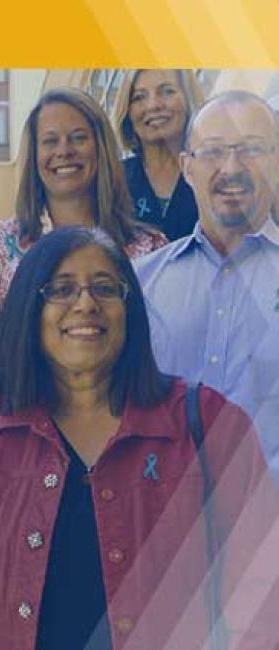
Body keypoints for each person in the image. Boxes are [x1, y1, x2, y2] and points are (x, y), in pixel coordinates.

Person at [0, 226, 279, 649]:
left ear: (131, 310)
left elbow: (261, 585)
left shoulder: (210, 424)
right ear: (28, 309)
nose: (86, 304)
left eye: (105, 288)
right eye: (61, 289)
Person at [0, 87, 167, 418]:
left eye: (78, 138)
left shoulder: (151, 247)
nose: (64, 151)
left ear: (101, 148)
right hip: (21, 437)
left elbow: (159, 357)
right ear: (34, 155)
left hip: (123, 428)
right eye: (50, 141)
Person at [135, 90, 279, 479]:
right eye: (213, 152)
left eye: (251, 149)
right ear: (187, 167)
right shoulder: (140, 283)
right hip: (161, 523)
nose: (232, 167)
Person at [113, 69, 203, 240]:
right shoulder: (112, 180)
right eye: (139, 97)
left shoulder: (213, 171)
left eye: (167, 91)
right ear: (127, 112)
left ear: (188, 99)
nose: (153, 105)